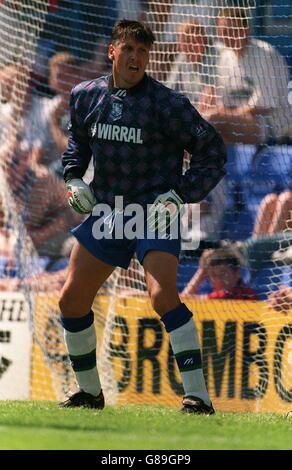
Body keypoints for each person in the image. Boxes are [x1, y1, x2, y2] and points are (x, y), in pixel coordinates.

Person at [59, 19, 227, 414]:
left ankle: (198, 398)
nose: (136, 58)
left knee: (161, 296)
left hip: (154, 211)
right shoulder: (84, 96)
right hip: (109, 212)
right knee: (71, 300)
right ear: (112, 52)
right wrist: (72, 179)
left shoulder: (168, 105)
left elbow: (213, 152)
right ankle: (89, 394)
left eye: (143, 52)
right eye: (129, 50)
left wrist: (182, 194)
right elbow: (76, 147)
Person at [205, 6, 291, 144]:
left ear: (245, 30)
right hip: (236, 121)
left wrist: (226, 115)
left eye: (228, 30)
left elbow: (265, 105)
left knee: (212, 120)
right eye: (221, 31)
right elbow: (223, 101)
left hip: (271, 125)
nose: (224, 36)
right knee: (207, 131)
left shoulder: (265, 54)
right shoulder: (224, 58)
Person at [166, 19, 217, 113]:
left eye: (193, 41)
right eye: (185, 42)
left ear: (204, 39)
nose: (190, 46)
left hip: (210, 112)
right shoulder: (182, 58)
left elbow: (212, 93)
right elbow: (169, 90)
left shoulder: (216, 55)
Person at [182, 247, 258, 300]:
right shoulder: (216, 296)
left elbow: (184, 300)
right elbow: (184, 301)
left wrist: (201, 270)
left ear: (237, 273)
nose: (218, 279)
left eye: (223, 273)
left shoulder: (248, 295)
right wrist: (202, 269)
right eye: (213, 275)